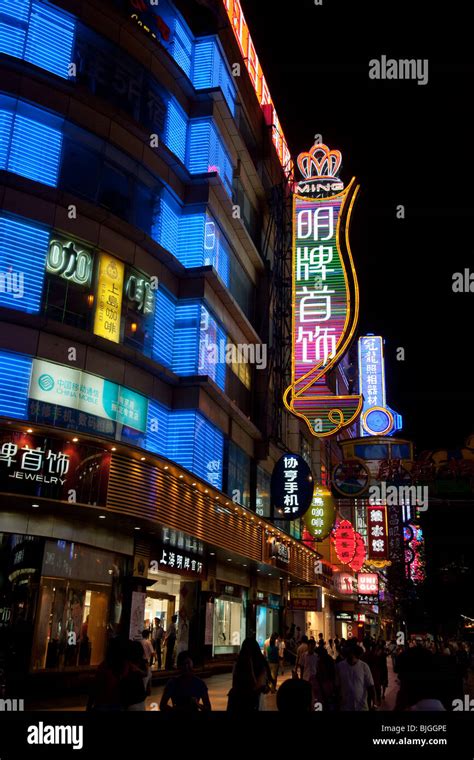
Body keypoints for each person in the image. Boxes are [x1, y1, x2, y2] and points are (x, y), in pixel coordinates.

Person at [227, 637, 271, 713]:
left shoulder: (238, 663)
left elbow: (234, 683)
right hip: (252, 702)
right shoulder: (260, 664)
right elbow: (260, 686)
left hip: (238, 701)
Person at [87, 637, 127, 712]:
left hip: (103, 702)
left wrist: (89, 705)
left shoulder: (104, 666)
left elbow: (95, 687)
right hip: (117, 703)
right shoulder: (125, 666)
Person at [336, 643, 375, 711]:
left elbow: (370, 686)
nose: (351, 655)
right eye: (349, 653)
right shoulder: (339, 666)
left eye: (353, 653)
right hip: (345, 706)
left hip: (361, 706)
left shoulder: (364, 666)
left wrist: (374, 703)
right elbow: (337, 686)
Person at [122, 640, 148, 711]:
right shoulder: (142, 662)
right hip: (139, 694)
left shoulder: (127, 662)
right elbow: (146, 674)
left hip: (131, 695)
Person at [299, 638, 319, 704]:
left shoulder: (316, 656)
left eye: (313, 646)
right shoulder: (303, 656)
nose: (312, 648)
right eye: (310, 646)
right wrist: (301, 678)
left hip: (314, 678)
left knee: (313, 695)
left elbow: (317, 667)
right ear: (308, 646)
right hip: (306, 678)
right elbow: (301, 667)